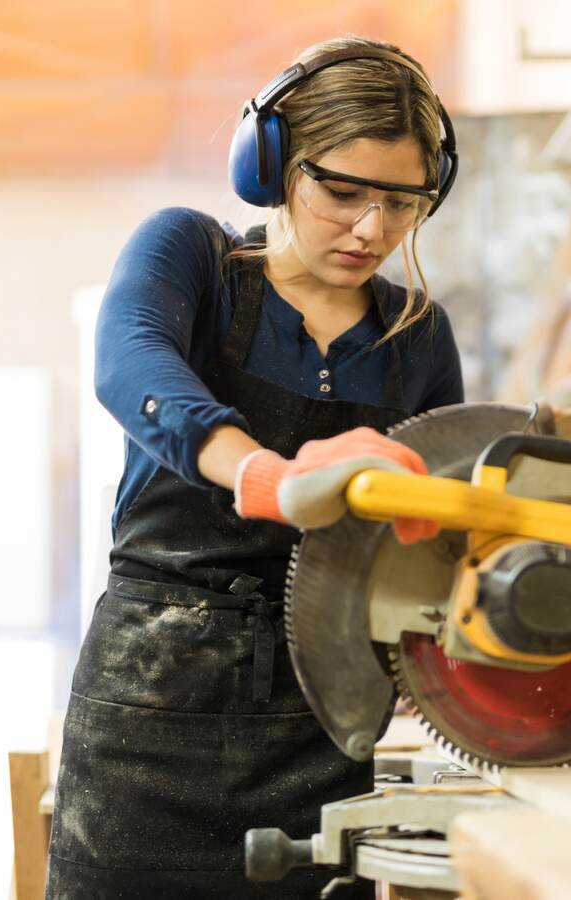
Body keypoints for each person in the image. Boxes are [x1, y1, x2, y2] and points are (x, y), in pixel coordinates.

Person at [46, 36, 463, 899]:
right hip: (148, 716)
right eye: (342, 192)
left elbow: (435, 532)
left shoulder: (417, 333)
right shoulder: (193, 259)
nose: (372, 230)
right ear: (274, 167)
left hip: (319, 725)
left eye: (403, 202)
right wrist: (264, 476)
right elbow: (130, 363)